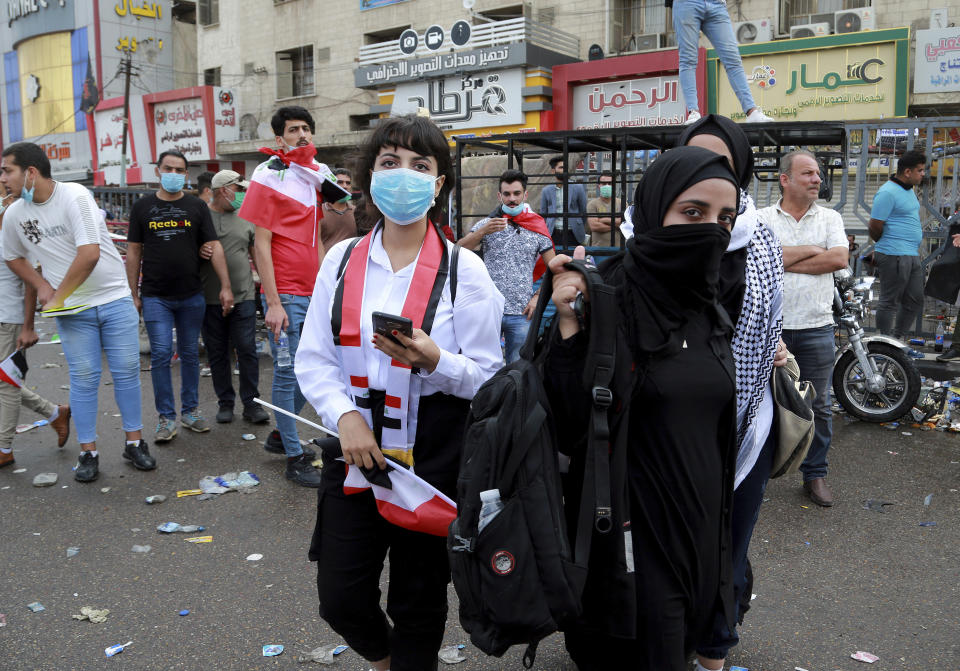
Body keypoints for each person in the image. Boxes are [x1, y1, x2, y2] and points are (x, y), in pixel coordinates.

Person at [296, 114, 504, 671]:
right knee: (340, 597)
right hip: (355, 450)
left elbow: (491, 378)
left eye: (420, 165)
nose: (403, 175)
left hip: (432, 457)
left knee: (419, 601)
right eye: (390, 163)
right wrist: (344, 416)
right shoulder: (340, 261)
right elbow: (314, 357)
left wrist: (436, 360)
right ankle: (386, 658)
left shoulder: (467, 272)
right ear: (370, 177)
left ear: (438, 184)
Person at [544, 146, 740, 669]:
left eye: (726, 218)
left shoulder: (711, 308)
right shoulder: (608, 300)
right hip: (631, 535)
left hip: (699, 535)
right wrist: (568, 326)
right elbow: (565, 423)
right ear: (654, 211)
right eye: (693, 214)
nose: (712, 231)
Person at [677, 115, 786, 671]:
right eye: (696, 159)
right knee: (670, 555)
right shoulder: (645, 238)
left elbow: (768, 326)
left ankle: (714, 653)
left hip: (747, 427)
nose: (709, 173)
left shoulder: (761, 241)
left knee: (729, 550)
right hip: (666, 437)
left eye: (723, 163)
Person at [0, 142, 154, 482]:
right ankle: (88, 452)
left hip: (113, 299)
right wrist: (42, 286)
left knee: (127, 372)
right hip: (74, 313)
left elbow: (89, 254)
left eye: (7, 170)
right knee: (84, 380)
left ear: (31, 172)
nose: (3, 179)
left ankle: (134, 442)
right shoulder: (14, 214)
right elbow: (12, 256)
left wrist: (56, 296)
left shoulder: (74, 196)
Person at [238, 105, 331, 486]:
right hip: (286, 294)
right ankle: (294, 456)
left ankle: (281, 435)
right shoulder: (268, 174)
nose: (302, 135)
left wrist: (328, 290)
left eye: (307, 128)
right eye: (294, 130)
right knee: (288, 371)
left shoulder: (314, 175)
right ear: (280, 139)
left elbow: (318, 239)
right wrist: (273, 302)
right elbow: (261, 245)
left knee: (312, 373)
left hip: (312, 291)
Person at [126, 150, 234, 443]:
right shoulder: (142, 207)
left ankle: (190, 412)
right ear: (158, 171)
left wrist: (225, 286)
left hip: (191, 294)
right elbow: (134, 251)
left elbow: (213, 246)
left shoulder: (196, 207)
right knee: (161, 354)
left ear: (186, 175)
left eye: (179, 169)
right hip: (155, 296)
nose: (173, 173)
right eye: (168, 168)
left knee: (189, 355)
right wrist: (132, 293)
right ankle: (165, 418)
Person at [759, 150, 847, 507]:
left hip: (815, 327)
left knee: (820, 405)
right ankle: (755, 473)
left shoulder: (830, 217)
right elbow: (758, 258)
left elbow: (839, 259)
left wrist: (783, 258)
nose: (817, 179)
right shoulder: (762, 218)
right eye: (808, 173)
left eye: (818, 174)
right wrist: (811, 251)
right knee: (762, 404)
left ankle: (815, 474)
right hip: (767, 329)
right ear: (785, 179)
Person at [0, 183, 71, 468]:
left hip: (9, 317)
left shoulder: (14, 227)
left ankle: (4, 447)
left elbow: (32, 280)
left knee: (6, 383)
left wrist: (28, 325)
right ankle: (54, 412)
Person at [457, 169, 554, 363]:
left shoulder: (537, 226)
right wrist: (481, 232)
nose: (512, 199)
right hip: (488, 309)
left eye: (517, 193)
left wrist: (537, 297)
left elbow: (554, 267)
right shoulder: (488, 224)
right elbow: (457, 250)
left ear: (525, 195)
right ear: (499, 196)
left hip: (522, 312)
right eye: (507, 194)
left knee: (517, 368)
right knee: (483, 366)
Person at [198, 170, 269, 425]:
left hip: (244, 295)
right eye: (238, 190)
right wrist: (199, 250)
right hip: (209, 298)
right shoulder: (201, 216)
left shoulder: (246, 217)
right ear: (221, 191)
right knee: (217, 353)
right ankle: (225, 402)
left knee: (247, 349)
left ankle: (252, 403)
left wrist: (269, 292)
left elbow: (257, 255)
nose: (242, 194)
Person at [669, 0, 773, 125]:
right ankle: (693, 112)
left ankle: (752, 112)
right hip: (687, 3)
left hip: (716, 4)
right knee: (688, 60)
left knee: (733, 59)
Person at [868, 150, 927, 344]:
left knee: (915, 299)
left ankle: (896, 340)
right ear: (907, 172)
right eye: (920, 170)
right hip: (894, 253)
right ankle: (884, 344)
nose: (923, 174)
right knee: (889, 302)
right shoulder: (887, 192)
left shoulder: (908, 190)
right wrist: (889, 243)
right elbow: (875, 226)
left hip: (911, 254)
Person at [540, 156, 587, 249]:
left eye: (566, 168)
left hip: (573, 233)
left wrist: (578, 224)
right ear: (553, 171)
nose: (564, 170)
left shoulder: (578, 187)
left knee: (573, 260)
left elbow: (583, 211)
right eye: (561, 168)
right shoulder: (546, 190)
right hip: (554, 233)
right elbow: (543, 214)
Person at [319, 167, 358, 261]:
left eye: (348, 183)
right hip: (327, 267)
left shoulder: (357, 212)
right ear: (332, 185)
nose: (345, 186)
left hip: (351, 266)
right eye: (340, 182)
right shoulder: (319, 211)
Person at [586, 171, 623, 247]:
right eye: (604, 183)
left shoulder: (622, 203)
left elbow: (623, 224)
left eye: (610, 184)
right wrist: (616, 226)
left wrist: (602, 219)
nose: (607, 186)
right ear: (598, 186)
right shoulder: (592, 204)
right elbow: (594, 226)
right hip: (598, 248)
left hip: (619, 248)